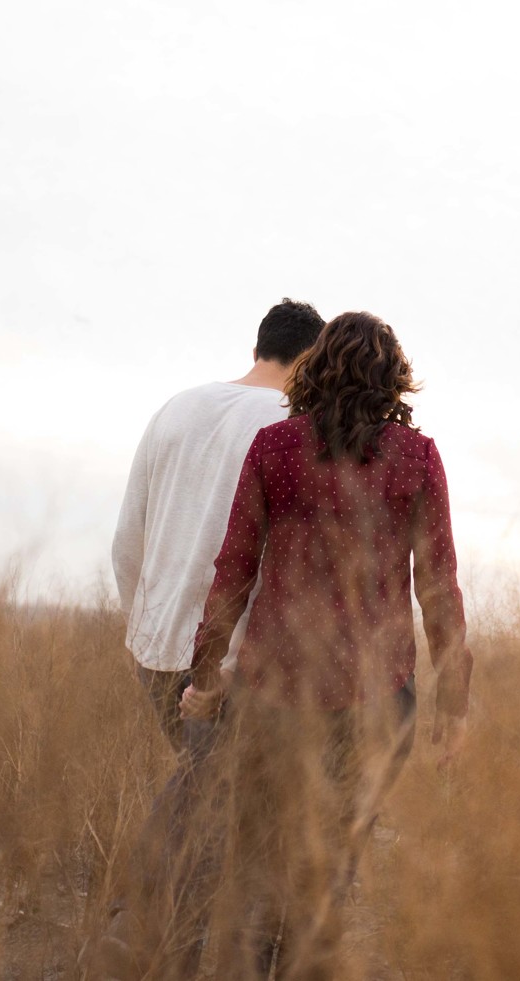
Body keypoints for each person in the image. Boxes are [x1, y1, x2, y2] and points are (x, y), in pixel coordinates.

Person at [182, 310, 472, 981]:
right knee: (332, 865)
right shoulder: (417, 458)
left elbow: (234, 567)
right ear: (393, 378)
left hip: (270, 693)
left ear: (313, 370)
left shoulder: (274, 446)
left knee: (256, 866)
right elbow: (439, 588)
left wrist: (206, 672)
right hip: (376, 698)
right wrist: (453, 707)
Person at [94, 298, 325, 981]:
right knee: (209, 805)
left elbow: (125, 541)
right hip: (233, 661)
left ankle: (198, 950)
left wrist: (142, 629)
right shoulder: (296, 426)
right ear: (310, 358)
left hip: (156, 645)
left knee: (225, 802)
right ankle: (128, 945)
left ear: (261, 347)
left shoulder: (176, 409)